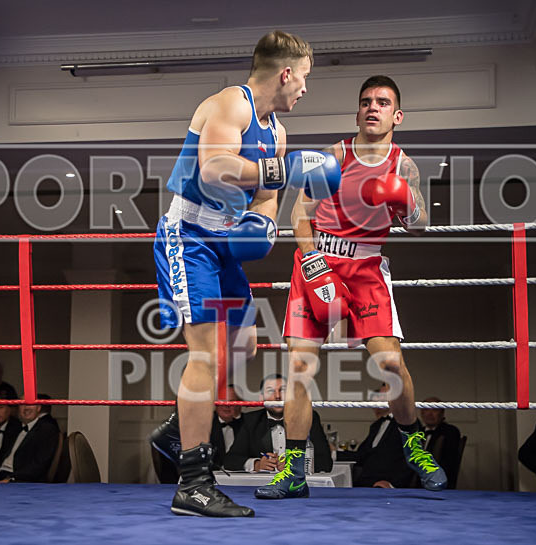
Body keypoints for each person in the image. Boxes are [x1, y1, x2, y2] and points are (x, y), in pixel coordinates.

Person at [152, 30, 340, 517]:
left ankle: (177, 428)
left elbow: (265, 195)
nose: (305, 88)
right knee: (205, 355)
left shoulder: (275, 129)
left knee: (246, 344)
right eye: (303, 78)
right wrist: (286, 172)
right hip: (189, 234)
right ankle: (191, 482)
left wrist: (264, 223)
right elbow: (214, 168)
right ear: (285, 73)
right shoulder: (228, 105)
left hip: (225, 242)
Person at [260, 74, 447, 500]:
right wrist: (311, 261)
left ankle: (414, 444)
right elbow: (299, 214)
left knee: (391, 367)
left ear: (396, 115)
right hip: (318, 261)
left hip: (366, 269)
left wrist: (404, 201)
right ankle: (292, 471)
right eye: (366, 101)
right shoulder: (333, 156)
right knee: (299, 370)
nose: (372, 107)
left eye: (382, 102)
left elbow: (420, 226)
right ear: (358, 111)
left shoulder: (403, 165)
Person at [223, 374, 331, 473]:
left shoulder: (307, 417)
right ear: (261, 397)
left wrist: (296, 464)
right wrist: (257, 464)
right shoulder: (250, 420)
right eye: (270, 391)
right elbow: (230, 460)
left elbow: (325, 462)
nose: (277, 396)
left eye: (283, 390)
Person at [350, 383, 413, 488]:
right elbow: (362, 454)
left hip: (387, 483)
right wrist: (333, 453)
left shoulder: (406, 422)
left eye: (384, 396)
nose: (377, 399)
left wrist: (392, 484)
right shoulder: (376, 425)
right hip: (366, 480)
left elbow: (413, 456)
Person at [0, 396, 60, 483]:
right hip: (0, 476)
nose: (26, 407)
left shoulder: (47, 429)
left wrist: (11, 479)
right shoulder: (14, 428)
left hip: (20, 480)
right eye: (23, 404)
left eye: (30, 404)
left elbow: (40, 463)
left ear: (38, 408)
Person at [419, 396, 462, 489]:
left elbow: (448, 462)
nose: (430, 414)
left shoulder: (450, 431)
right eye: (426, 409)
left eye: (434, 410)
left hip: (439, 481)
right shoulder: (418, 432)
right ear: (421, 413)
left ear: (442, 413)